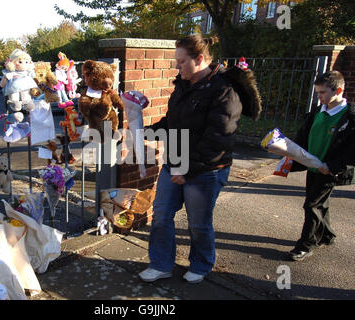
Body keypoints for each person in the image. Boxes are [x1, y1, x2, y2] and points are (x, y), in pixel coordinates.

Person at [138, 35, 261, 283]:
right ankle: (161, 264)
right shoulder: (184, 84)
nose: (177, 67)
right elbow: (173, 122)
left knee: (198, 223)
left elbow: (218, 138)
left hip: (206, 169)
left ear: (199, 59)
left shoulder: (225, 90)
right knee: (161, 214)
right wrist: (145, 131)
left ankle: (202, 264)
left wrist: (188, 169)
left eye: (181, 62)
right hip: (176, 162)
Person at [288, 70, 355, 261]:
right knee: (319, 204)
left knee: (312, 205)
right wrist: (290, 154)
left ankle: (306, 244)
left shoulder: (350, 117)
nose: (319, 97)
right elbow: (303, 136)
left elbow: (351, 150)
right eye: (317, 92)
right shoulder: (318, 111)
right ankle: (326, 235)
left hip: (329, 170)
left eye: (322, 93)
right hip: (313, 167)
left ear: (339, 90)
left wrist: (333, 166)